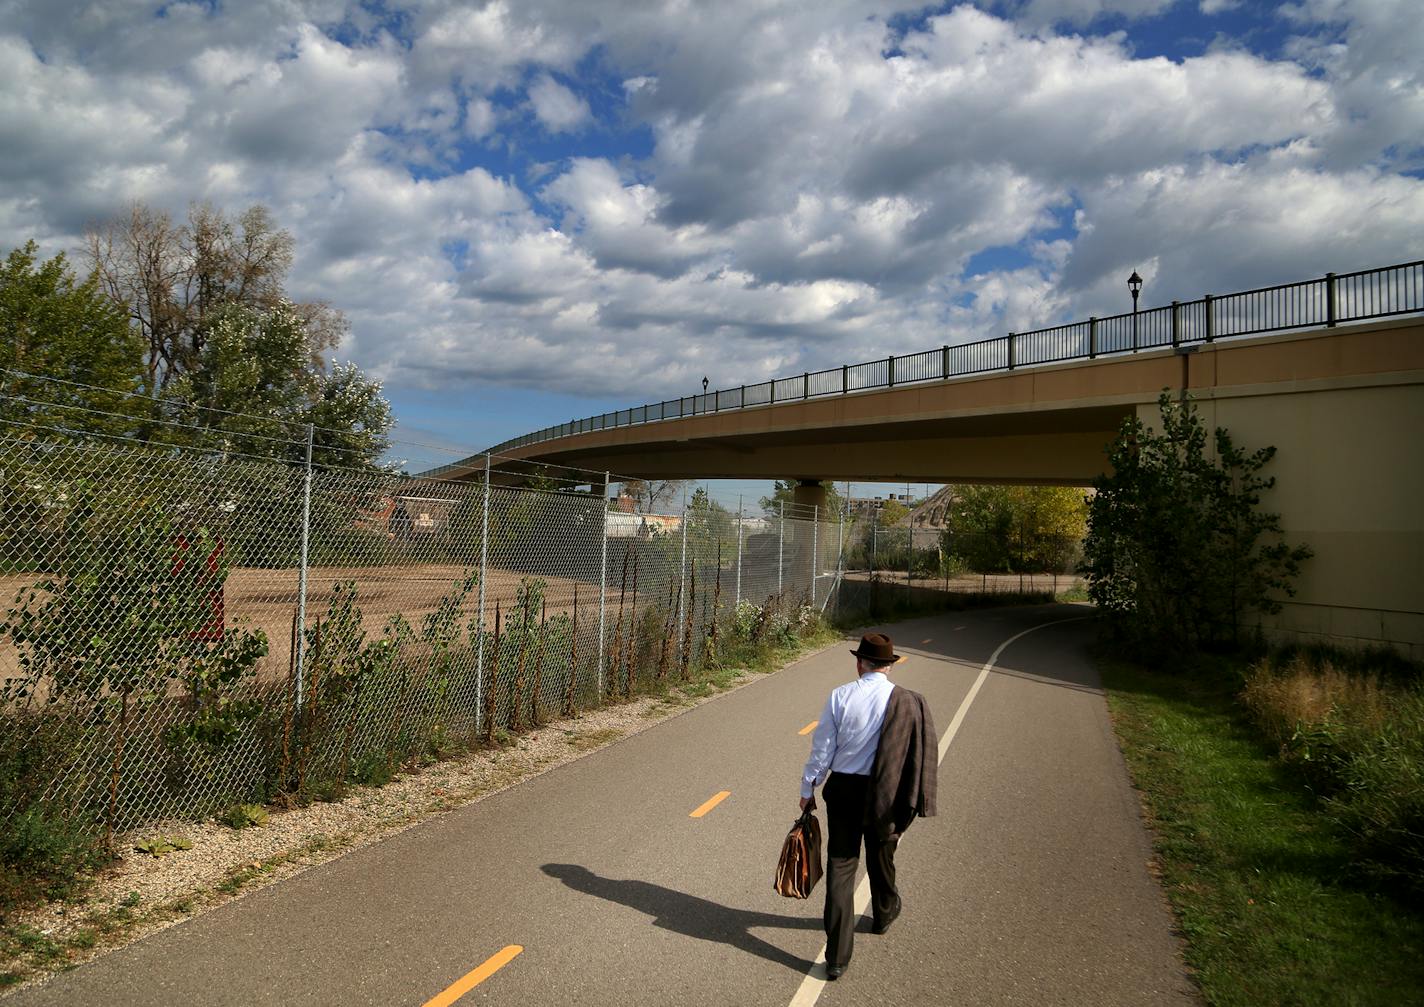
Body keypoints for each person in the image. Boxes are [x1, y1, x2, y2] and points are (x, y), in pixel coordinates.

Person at [799, 632, 937, 980]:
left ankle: (836, 958)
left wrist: (808, 787)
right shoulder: (906, 700)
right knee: (881, 853)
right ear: (889, 666)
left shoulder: (840, 696)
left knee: (841, 867)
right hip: (885, 791)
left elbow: (822, 751)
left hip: (844, 788)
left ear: (860, 663)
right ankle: (885, 911)